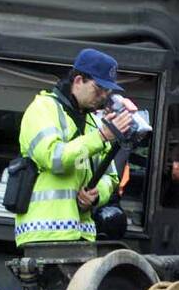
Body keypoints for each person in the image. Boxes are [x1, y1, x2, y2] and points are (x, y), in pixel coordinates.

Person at [14, 48, 133, 253]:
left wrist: (95, 196)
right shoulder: (43, 109)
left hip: (82, 235)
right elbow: (55, 158)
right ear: (78, 81)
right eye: (99, 89)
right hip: (44, 232)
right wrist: (101, 137)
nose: (103, 96)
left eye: (107, 92)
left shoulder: (92, 122)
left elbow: (111, 176)